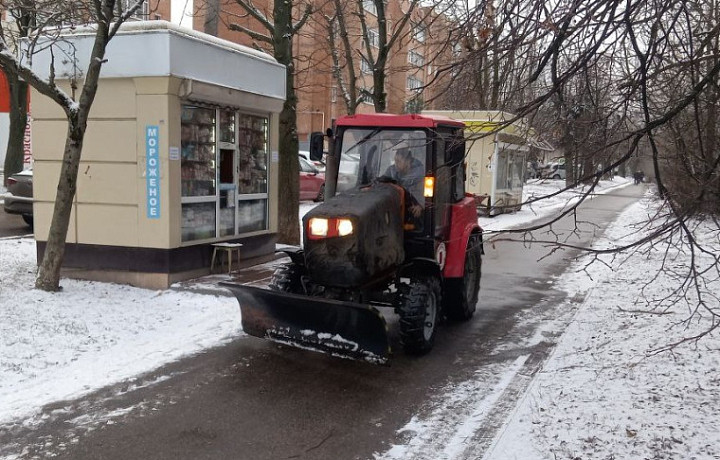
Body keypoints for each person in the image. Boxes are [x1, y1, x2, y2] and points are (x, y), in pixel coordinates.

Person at [383, 147, 424, 218]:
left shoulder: (419, 176)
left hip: (413, 211)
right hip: (395, 208)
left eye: (398, 161)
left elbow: (424, 196)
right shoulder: (391, 171)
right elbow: (383, 184)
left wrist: (420, 206)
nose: (396, 164)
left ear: (408, 162)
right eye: (395, 161)